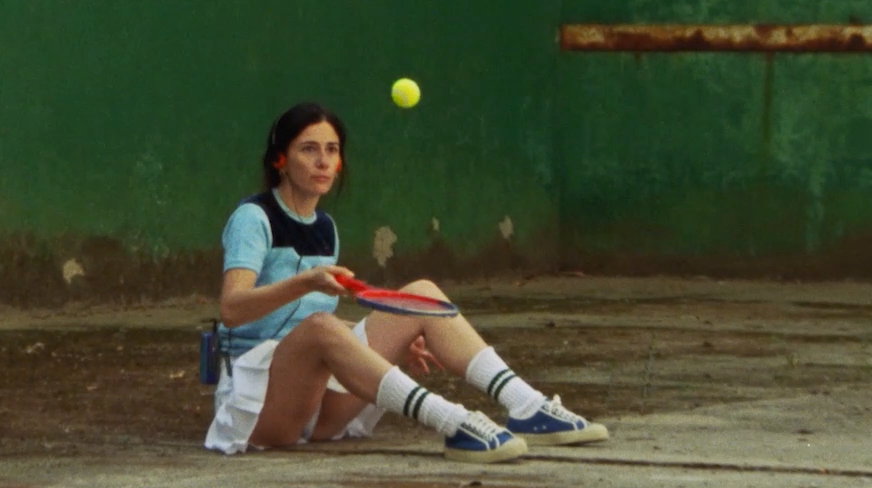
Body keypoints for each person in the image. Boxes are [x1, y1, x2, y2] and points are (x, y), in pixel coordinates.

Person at [204, 102, 609, 463]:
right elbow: (232, 310)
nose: (323, 162)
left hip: (317, 401)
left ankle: (527, 406)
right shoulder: (253, 218)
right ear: (280, 158)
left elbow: (311, 331)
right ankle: (455, 422)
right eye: (308, 149)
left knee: (420, 295)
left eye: (331, 150)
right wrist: (306, 282)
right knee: (323, 327)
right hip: (259, 405)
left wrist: (396, 335)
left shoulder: (325, 227)